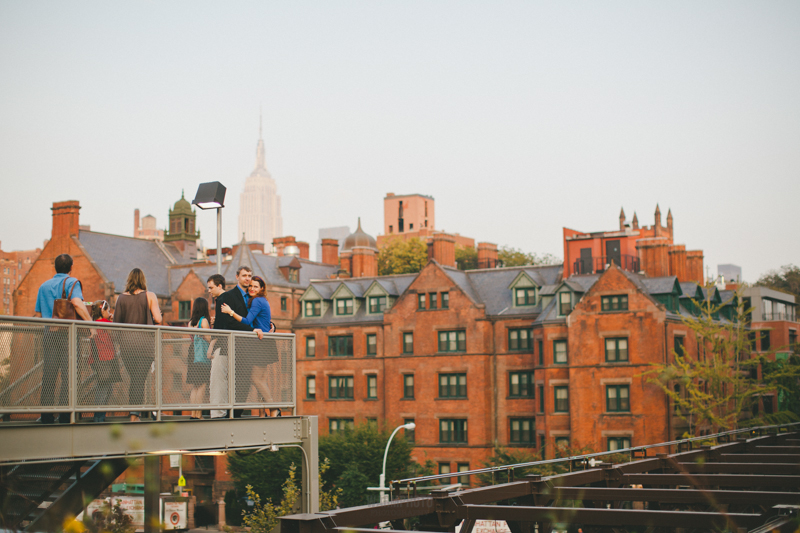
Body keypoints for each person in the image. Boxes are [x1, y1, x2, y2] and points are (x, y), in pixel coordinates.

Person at [34, 254, 92, 424]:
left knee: (49, 375)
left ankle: (46, 416)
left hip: (48, 334)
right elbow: (77, 303)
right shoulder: (72, 282)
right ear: (71, 267)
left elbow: (39, 313)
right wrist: (91, 325)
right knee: (69, 375)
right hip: (67, 335)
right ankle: (65, 415)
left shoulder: (43, 286)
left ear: (55, 267)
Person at [213, 266, 264, 417]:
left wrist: (271, 326)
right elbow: (228, 323)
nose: (248, 278)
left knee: (245, 383)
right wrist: (251, 331)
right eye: (244, 275)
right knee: (230, 382)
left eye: (249, 275)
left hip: (250, 348)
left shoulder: (254, 296)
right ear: (237, 277)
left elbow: (260, 317)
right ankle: (228, 414)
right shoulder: (226, 297)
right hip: (232, 346)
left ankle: (237, 414)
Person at [221, 276, 275, 416]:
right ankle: (268, 412)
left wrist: (230, 312)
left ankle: (274, 409)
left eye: (255, 286)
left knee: (256, 379)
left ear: (262, 288)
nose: (251, 288)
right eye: (250, 286)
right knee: (261, 379)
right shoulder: (263, 300)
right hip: (266, 342)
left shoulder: (257, 301)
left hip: (261, 343)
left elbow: (247, 321)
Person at [114, 268, 162, 421]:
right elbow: (158, 319)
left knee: (135, 378)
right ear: (143, 280)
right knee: (139, 379)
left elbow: (116, 324)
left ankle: (134, 414)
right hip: (145, 345)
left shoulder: (120, 298)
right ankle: (134, 415)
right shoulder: (149, 296)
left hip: (127, 345)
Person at [89, 300, 119, 422]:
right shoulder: (105, 323)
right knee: (103, 388)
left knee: (105, 387)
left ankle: (100, 415)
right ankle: (99, 417)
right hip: (105, 359)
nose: (110, 312)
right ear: (102, 311)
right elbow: (115, 336)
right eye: (108, 310)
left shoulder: (95, 323)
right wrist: (113, 320)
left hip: (97, 359)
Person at [206, 274, 228, 419]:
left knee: (217, 381)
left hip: (222, 347)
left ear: (219, 286)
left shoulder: (221, 299)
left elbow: (220, 328)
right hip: (230, 346)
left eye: (211, 287)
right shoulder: (230, 299)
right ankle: (222, 411)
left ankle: (217, 413)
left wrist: (211, 347)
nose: (209, 290)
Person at [187, 297, 212, 419]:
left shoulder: (191, 322)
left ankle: (193, 414)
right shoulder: (204, 321)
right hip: (202, 357)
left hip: (192, 356)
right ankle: (199, 414)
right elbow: (209, 339)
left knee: (195, 386)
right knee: (202, 385)